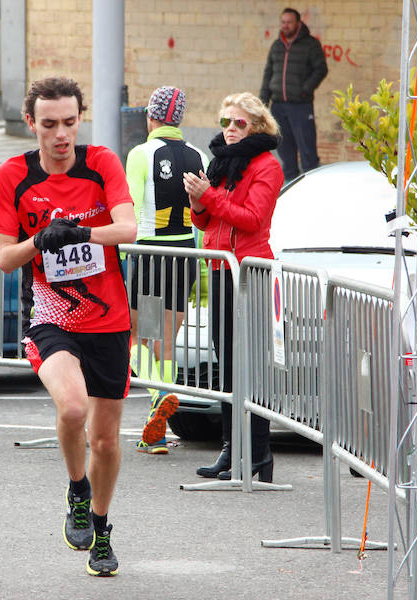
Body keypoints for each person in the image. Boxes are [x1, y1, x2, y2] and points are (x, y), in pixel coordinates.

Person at [0, 77, 137, 577]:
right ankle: (78, 490)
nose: (60, 135)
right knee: (72, 407)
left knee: (107, 441)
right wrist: (41, 240)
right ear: (31, 123)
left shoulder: (102, 163)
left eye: (70, 123)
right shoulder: (14, 175)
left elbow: (128, 227)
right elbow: (6, 258)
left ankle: (100, 525)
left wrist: (78, 232)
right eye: (49, 124)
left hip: (109, 318)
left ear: (80, 119)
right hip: (51, 313)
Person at [182, 92, 284, 482]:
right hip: (223, 269)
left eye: (238, 123)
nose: (229, 129)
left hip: (251, 273)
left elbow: (252, 218)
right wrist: (199, 202)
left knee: (250, 366)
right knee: (226, 363)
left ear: (257, 126)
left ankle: (257, 453)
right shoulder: (223, 163)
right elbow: (208, 225)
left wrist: (209, 196)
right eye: (226, 122)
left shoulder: (267, 166)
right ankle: (232, 448)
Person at [125, 86, 209, 455]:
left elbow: (128, 208)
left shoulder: (141, 154)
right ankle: (154, 434)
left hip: (148, 253)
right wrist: (203, 275)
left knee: (140, 339)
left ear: (151, 116)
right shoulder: (198, 155)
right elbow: (203, 221)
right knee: (166, 345)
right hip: (185, 255)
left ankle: (161, 394)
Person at [259, 7, 328, 182]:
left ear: (298, 23)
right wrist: (262, 104)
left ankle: (312, 186)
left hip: (301, 106)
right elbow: (268, 74)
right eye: (283, 22)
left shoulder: (310, 44)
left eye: (289, 22)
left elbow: (321, 69)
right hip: (278, 107)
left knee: (307, 153)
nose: (285, 26)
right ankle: (290, 184)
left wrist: (305, 89)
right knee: (285, 150)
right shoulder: (276, 46)